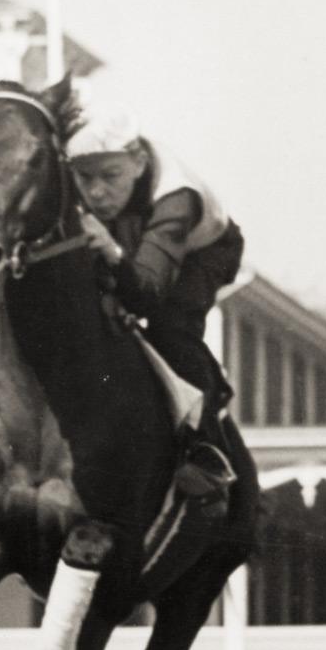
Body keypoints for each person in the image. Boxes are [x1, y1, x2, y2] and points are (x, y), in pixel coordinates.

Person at [66, 108, 244, 519]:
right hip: (133, 232)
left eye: (109, 177)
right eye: (84, 178)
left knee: (168, 326)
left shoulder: (176, 197)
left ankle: (207, 447)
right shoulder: (100, 185)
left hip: (203, 253)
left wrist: (111, 252)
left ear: (139, 163)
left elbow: (146, 292)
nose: (95, 193)